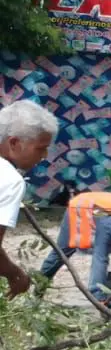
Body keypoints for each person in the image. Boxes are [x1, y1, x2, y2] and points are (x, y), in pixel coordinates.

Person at [0, 101, 58, 297]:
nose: (44, 156)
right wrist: (15, 273)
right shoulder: (9, 179)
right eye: (40, 148)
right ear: (14, 143)